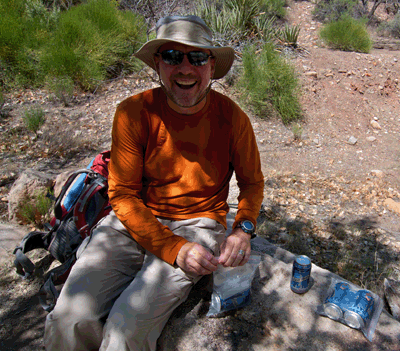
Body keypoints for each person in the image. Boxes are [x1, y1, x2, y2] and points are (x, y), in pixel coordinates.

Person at [44, 15, 264, 351]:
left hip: (197, 224)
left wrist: (242, 229)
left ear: (211, 65)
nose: (186, 68)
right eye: (173, 57)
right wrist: (174, 249)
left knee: (124, 330)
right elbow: (123, 194)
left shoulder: (233, 119)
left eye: (197, 57)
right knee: (69, 318)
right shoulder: (133, 113)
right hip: (132, 223)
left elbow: (251, 182)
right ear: (158, 64)